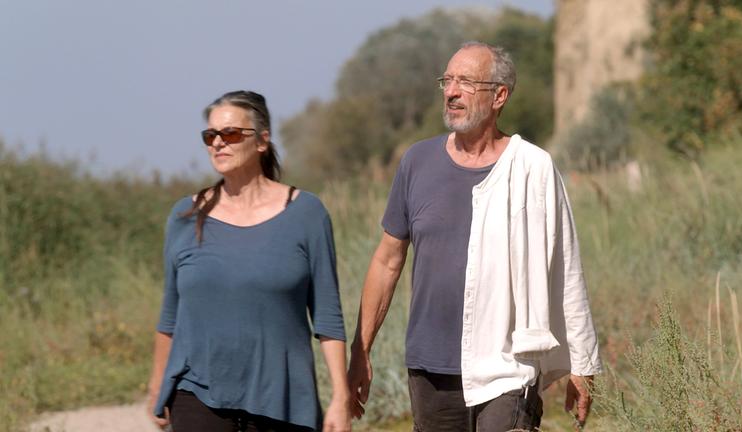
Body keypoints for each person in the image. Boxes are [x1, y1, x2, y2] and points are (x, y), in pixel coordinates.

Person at [347, 42, 602, 431]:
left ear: (499, 95)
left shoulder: (533, 168)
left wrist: (582, 363)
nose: (451, 92)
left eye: (465, 82)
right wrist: (360, 349)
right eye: (447, 81)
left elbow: (564, 265)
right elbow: (387, 260)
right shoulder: (417, 162)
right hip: (430, 368)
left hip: (509, 364)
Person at [146, 90, 351, 432]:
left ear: (262, 141)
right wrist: (157, 386)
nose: (218, 144)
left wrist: (340, 400)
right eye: (210, 136)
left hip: (283, 399)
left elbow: (328, 318)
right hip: (196, 395)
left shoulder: (306, 214)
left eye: (230, 134)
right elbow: (170, 315)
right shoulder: (185, 216)